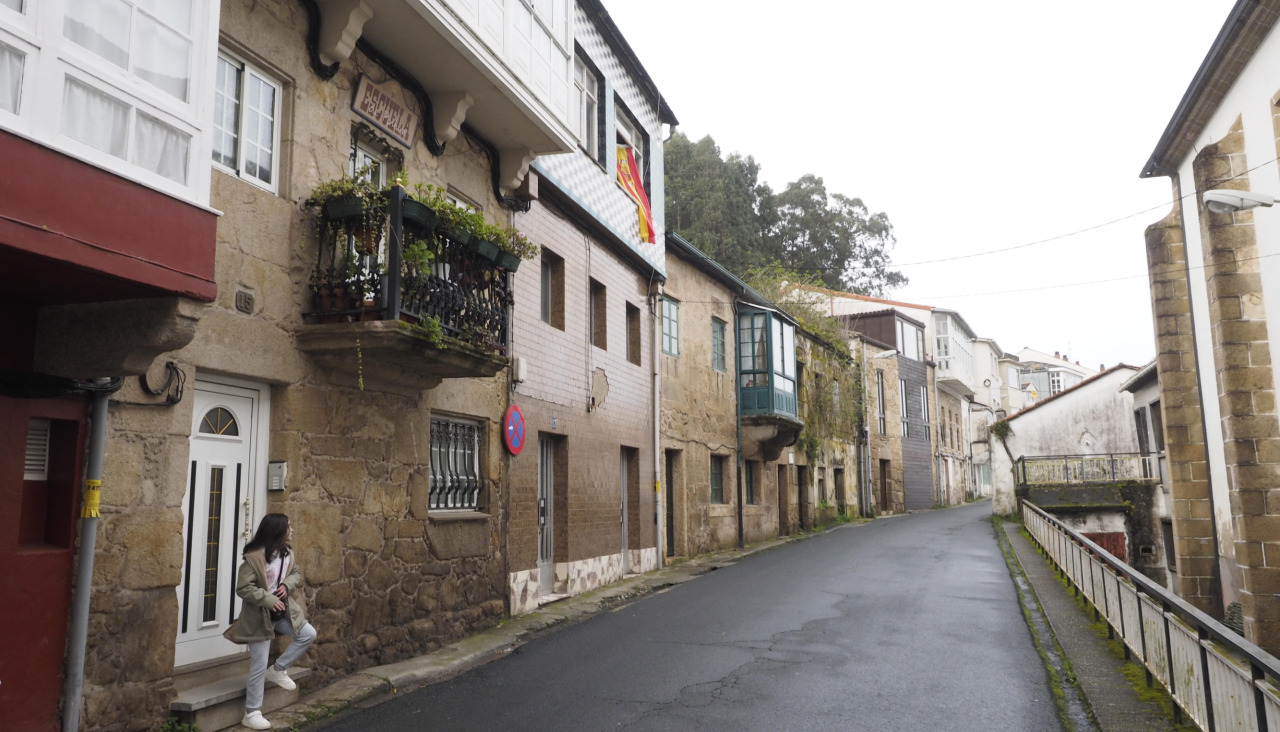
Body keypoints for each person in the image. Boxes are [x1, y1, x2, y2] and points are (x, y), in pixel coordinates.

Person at [222, 513, 316, 731]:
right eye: (288, 526)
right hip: (259, 618)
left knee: (308, 634)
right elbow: (243, 588)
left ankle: (279, 669)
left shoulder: (287, 553)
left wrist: (287, 585)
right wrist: (269, 599)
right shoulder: (254, 558)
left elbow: (296, 573)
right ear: (277, 531)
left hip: (282, 613)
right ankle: (252, 712)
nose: (291, 530)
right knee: (258, 663)